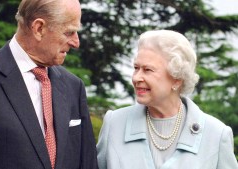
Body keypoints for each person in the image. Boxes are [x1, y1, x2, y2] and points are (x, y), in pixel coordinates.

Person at [0, 0, 98, 168]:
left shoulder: (74, 86)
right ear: (39, 28)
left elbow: (87, 163)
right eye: (69, 32)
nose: (76, 42)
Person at [96, 30, 238, 169]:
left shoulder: (216, 135)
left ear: (177, 80)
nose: (136, 78)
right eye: (136, 68)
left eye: (148, 70)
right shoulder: (114, 124)